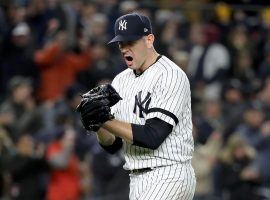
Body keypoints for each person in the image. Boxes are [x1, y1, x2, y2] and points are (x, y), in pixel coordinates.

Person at [78, 12, 196, 199]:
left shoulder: (170, 75)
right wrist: (98, 124)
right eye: (121, 44)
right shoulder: (120, 81)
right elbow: (112, 145)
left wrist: (105, 119)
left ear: (149, 40)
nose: (125, 49)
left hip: (169, 174)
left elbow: (153, 136)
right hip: (137, 179)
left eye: (130, 43)